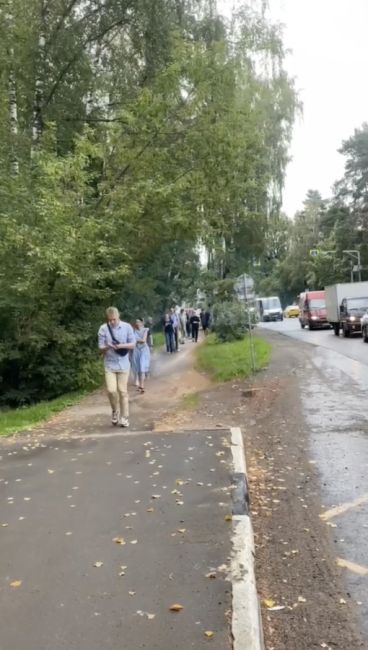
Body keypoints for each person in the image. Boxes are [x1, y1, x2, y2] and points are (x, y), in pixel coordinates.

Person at [98, 306, 135, 427]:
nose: (112, 322)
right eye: (110, 320)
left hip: (124, 364)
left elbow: (133, 344)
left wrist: (121, 346)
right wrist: (107, 346)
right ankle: (115, 411)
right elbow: (100, 348)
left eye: (114, 319)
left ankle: (125, 417)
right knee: (111, 390)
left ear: (118, 316)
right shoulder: (103, 329)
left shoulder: (127, 327)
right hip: (110, 364)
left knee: (123, 391)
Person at [131, 319, 151, 393]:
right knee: (138, 368)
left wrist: (135, 340)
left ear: (142, 323)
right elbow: (131, 340)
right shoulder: (133, 331)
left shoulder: (145, 329)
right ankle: (140, 385)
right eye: (136, 322)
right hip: (136, 350)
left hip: (144, 350)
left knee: (142, 367)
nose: (137, 323)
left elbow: (143, 340)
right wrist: (136, 340)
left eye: (138, 322)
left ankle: (142, 386)